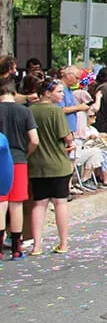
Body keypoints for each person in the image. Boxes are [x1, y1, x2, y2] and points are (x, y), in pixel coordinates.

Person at [27, 78, 75, 255]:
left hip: (36, 164)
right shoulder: (56, 111)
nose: (62, 95)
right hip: (58, 163)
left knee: (39, 204)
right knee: (60, 202)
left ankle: (36, 245)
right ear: (47, 93)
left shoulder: (30, 111)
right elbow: (67, 137)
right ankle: (63, 243)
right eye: (59, 91)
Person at [0, 77, 38, 258]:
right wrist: (25, 153)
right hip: (19, 159)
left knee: (1, 203)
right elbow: (34, 140)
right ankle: (16, 247)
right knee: (16, 204)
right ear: (14, 93)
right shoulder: (24, 112)